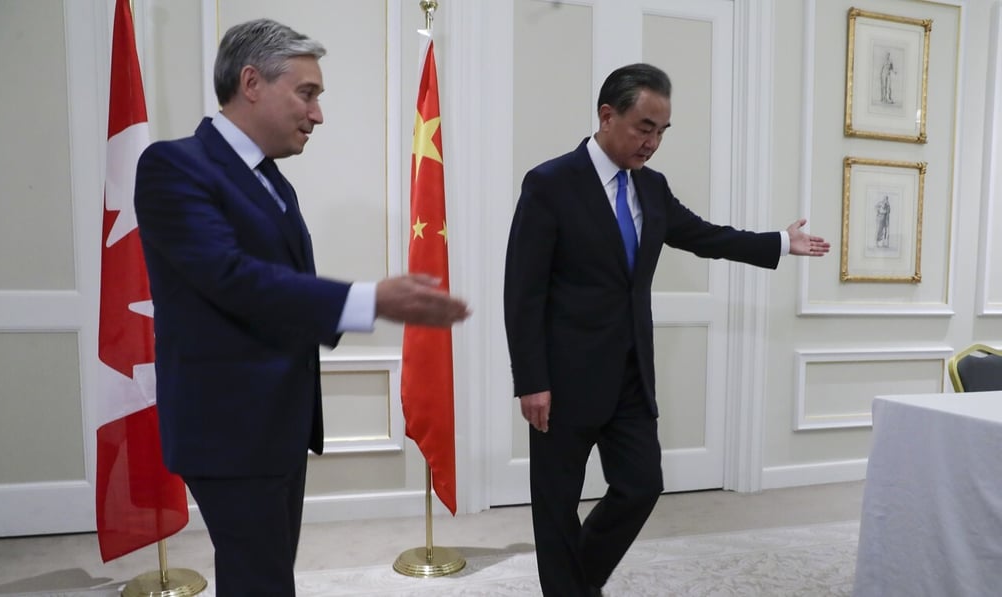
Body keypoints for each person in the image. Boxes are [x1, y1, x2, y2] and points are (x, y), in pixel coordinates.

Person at [133, 19, 469, 595]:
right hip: (228, 428)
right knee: (260, 580)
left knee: (264, 577)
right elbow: (229, 277)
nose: (318, 115)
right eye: (307, 93)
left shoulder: (272, 180)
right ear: (251, 83)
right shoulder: (173, 165)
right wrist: (369, 299)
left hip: (276, 425)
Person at [503, 63, 830, 597]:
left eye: (662, 131)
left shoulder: (651, 188)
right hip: (562, 379)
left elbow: (703, 235)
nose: (653, 142)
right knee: (556, 504)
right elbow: (523, 291)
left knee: (641, 485)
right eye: (644, 127)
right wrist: (531, 380)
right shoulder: (550, 184)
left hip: (631, 374)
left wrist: (777, 242)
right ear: (607, 116)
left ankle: (573, 584)